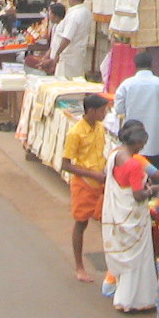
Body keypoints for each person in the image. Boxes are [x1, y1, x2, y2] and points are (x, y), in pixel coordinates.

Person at [103, 118, 159, 312]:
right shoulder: (134, 165)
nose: (142, 148)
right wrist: (152, 190)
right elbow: (137, 195)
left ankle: (124, 298)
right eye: (142, 145)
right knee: (138, 260)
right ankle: (136, 300)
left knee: (128, 257)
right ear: (136, 143)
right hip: (135, 217)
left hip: (120, 214)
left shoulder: (115, 155)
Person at [60, 93, 110, 282]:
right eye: (102, 110)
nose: (105, 113)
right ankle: (79, 266)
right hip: (84, 183)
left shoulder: (100, 128)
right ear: (91, 111)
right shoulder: (75, 132)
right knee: (81, 223)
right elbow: (66, 164)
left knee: (106, 221)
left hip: (100, 182)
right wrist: (93, 174)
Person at [115, 49, 159, 170]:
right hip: (155, 142)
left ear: (135, 65)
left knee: (132, 176)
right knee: (156, 176)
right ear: (151, 64)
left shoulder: (126, 85)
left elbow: (119, 110)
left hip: (132, 141)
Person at [49, 0, 94, 80]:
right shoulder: (86, 12)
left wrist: (57, 53)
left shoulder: (74, 15)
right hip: (78, 54)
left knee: (65, 83)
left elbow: (67, 37)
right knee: (76, 81)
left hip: (69, 56)